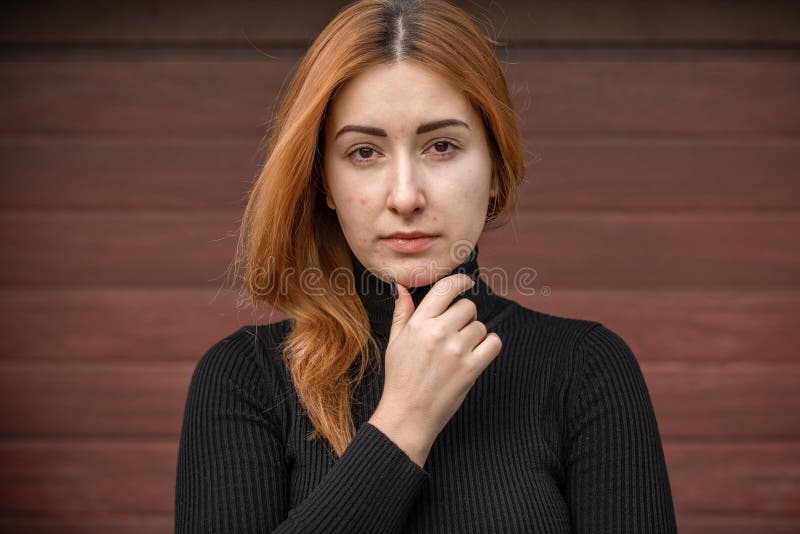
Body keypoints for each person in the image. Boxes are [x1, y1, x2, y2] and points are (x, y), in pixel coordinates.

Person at [174, 0, 678, 532]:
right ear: (323, 182)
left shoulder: (584, 369)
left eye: (441, 146)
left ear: (497, 170)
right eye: (364, 152)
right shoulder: (244, 378)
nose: (406, 196)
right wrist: (403, 423)